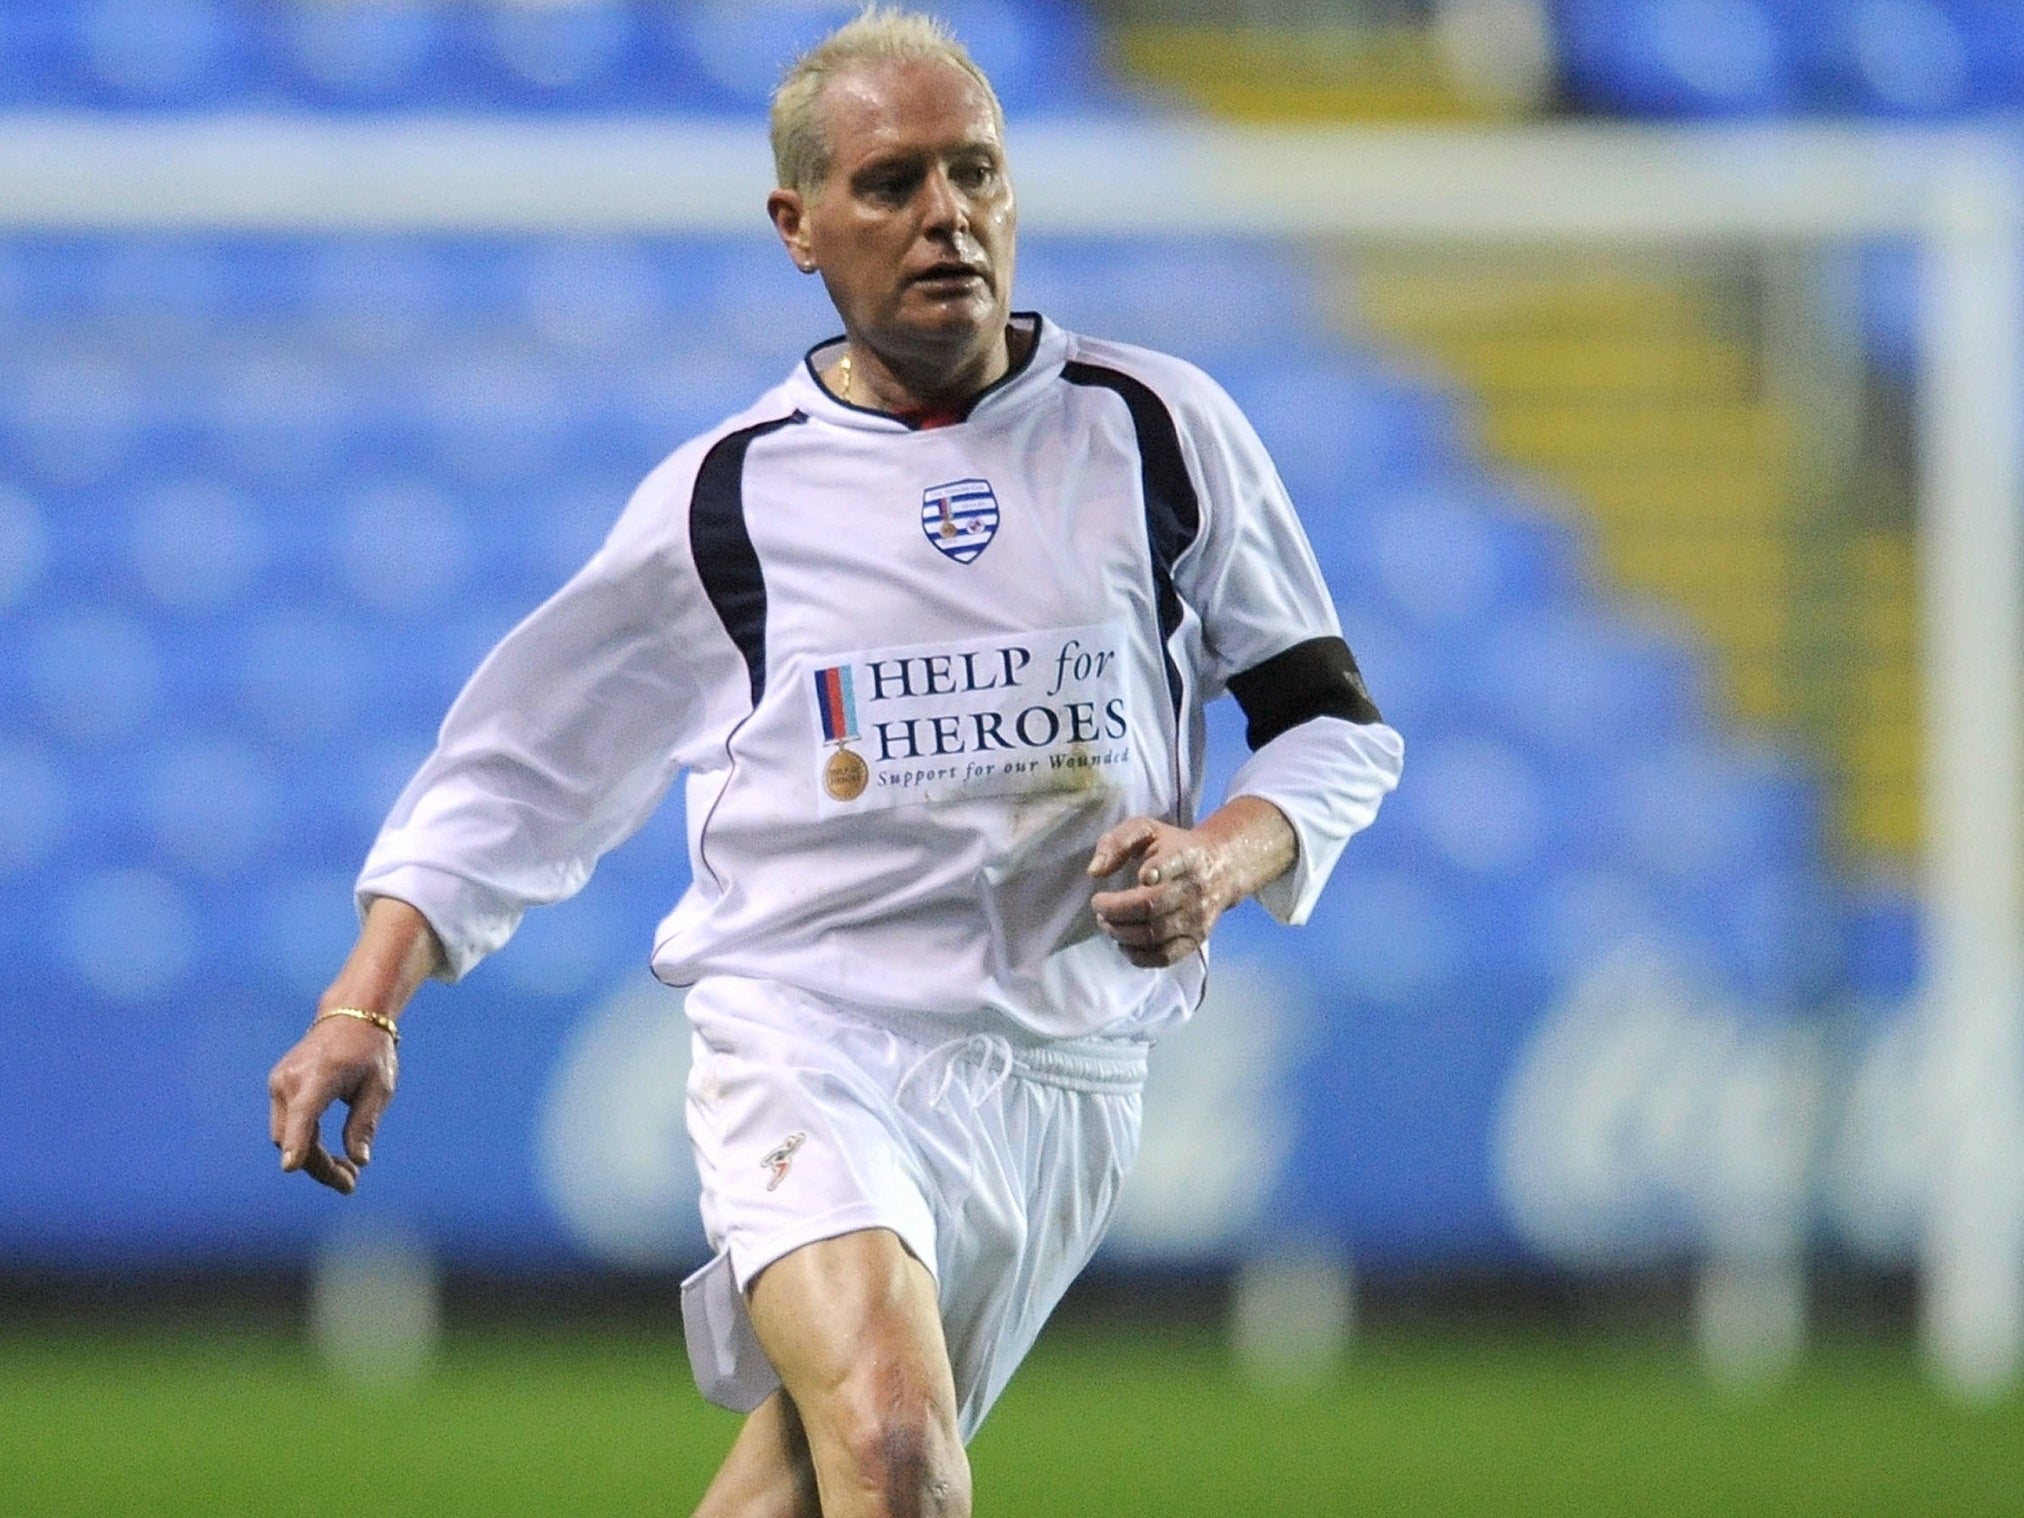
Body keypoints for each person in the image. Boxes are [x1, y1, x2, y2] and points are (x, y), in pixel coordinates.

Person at [266, 8, 1404, 1515]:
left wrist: (1223, 855)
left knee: (805, 1492)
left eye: (976, 172)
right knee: (894, 1449)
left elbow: (1333, 722)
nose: (947, 216)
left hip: (1063, 1073)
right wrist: (367, 999)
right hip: (812, 1034)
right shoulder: (729, 498)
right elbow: (522, 766)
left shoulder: (1155, 432)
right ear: (796, 226)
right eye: (892, 184)